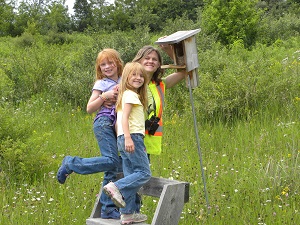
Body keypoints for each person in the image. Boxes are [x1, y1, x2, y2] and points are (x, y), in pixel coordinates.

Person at [56, 48, 123, 219]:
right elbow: (89, 108)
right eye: (103, 65)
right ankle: (71, 164)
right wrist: (104, 96)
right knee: (111, 160)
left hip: (120, 125)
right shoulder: (101, 84)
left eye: (110, 62)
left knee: (115, 167)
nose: (107, 67)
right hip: (104, 123)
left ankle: (108, 208)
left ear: (118, 63)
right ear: (99, 69)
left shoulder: (125, 79)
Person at [103, 62, 151, 225]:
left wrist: (123, 139)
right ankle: (115, 187)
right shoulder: (131, 94)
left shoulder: (125, 95)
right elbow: (124, 119)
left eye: (141, 75)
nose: (138, 78)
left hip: (124, 137)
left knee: (131, 175)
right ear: (126, 78)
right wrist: (129, 138)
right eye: (134, 75)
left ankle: (127, 214)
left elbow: (121, 119)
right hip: (133, 136)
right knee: (144, 173)